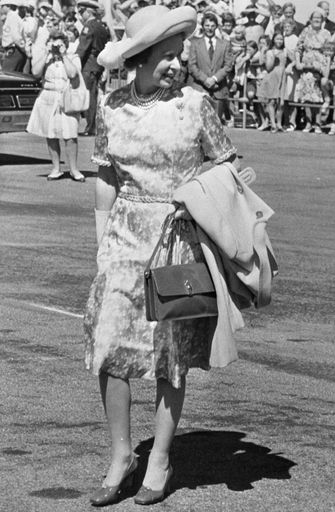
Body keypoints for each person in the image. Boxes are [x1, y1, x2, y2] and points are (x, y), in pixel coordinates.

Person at [83, 4, 252, 507]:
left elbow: (225, 163)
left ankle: (158, 457)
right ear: (139, 58)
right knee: (109, 346)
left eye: (179, 55)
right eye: (167, 56)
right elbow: (106, 176)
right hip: (123, 237)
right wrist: (100, 242)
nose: (176, 64)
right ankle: (120, 455)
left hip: (178, 237)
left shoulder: (196, 105)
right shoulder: (111, 106)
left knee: (169, 356)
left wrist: (210, 208)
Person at [27, 31, 85, 182]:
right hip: (48, 97)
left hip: (67, 98)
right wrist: (46, 53)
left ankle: (74, 169)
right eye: (54, 43)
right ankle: (56, 168)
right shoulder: (46, 58)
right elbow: (35, 72)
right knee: (51, 134)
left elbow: (73, 74)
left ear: (65, 44)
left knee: (70, 135)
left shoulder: (73, 57)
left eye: (60, 43)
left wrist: (64, 54)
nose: (56, 47)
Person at [188, 11, 233, 124]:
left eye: (212, 26)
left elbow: (228, 65)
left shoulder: (225, 44)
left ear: (216, 27)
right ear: (203, 26)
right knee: (198, 124)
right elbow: (192, 66)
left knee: (216, 126)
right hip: (199, 88)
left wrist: (214, 79)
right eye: (207, 25)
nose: (210, 28)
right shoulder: (195, 43)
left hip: (218, 89)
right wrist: (205, 79)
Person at [76, 0, 110, 136]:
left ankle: (90, 127)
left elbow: (82, 49)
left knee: (88, 97)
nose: (80, 15)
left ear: (88, 12)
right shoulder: (101, 26)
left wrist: (73, 63)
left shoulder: (89, 26)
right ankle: (92, 126)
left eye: (81, 12)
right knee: (93, 96)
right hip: (97, 65)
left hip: (88, 65)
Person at [294, 9, 331, 133]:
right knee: (307, 96)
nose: (316, 20)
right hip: (305, 67)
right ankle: (308, 123)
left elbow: (329, 53)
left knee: (318, 96)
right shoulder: (305, 31)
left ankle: (318, 123)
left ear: (322, 20)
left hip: (319, 68)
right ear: (310, 19)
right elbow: (298, 48)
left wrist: (324, 68)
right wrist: (298, 63)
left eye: (319, 18)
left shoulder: (326, 33)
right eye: (314, 17)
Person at [257, 31, 286, 132]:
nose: (279, 41)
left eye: (281, 39)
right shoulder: (270, 52)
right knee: (271, 101)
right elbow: (266, 66)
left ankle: (279, 124)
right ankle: (273, 124)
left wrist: (290, 66)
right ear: (273, 40)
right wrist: (265, 52)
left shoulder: (285, 51)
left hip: (282, 76)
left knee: (281, 102)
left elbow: (294, 59)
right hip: (272, 76)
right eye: (277, 39)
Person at [0, 0, 26, 72]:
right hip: (13, 50)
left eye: (2, 6)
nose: (1, 8)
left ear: (8, 6)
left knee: (7, 77)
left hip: (14, 51)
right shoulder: (11, 17)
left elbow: (16, 37)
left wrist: (24, 49)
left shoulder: (12, 17)